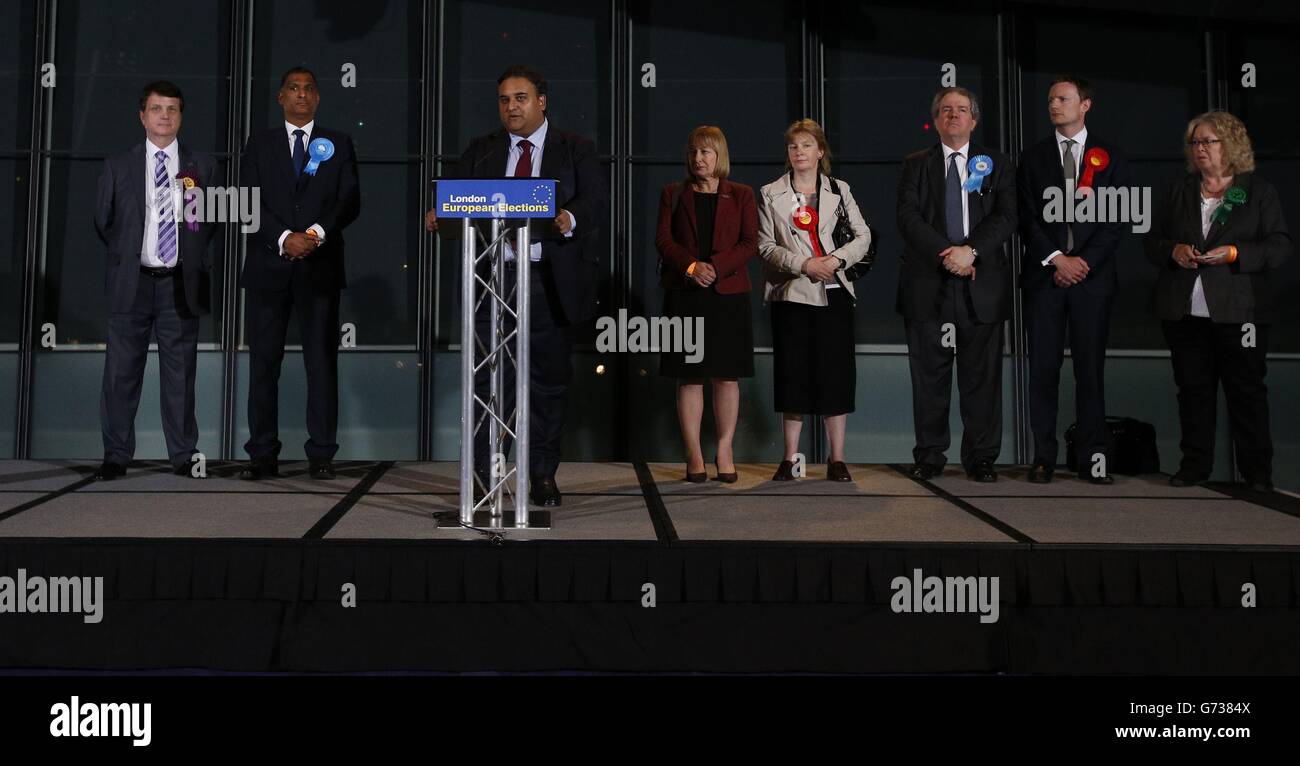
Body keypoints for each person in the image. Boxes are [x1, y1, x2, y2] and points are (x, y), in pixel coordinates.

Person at [425, 65, 608, 507]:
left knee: (547, 385)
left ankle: (541, 475)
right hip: (493, 283)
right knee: (491, 384)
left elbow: (596, 202)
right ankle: (485, 475)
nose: (512, 107)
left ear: (541, 101)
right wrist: (441, 215)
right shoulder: (482, 150)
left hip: (549, 283)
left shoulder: (575, 149)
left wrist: (569, 218)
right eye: (505, 100)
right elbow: (458, 198)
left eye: (521, 98)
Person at [1145, 110, 1292, 492]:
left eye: (1208, 141)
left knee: (1246, 393)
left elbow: (1279, 246)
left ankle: (1257, 475)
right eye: (1195, 142)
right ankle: (1195, 466)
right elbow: (1151, 241)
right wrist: (1172, 250)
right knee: (1193, 392)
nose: (1200, 149)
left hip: (1240, 314)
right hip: (1185, 310)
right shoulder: (1179, 190)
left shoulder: (1257, 192)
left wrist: (1234, 254)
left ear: (1230, 145)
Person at [239, 67, 360, 480]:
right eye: (294, 88)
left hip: (319, 268)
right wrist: (284, 238)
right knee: (262, 366)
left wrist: (314, 234)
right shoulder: (260, 143)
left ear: (318, 97)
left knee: (322, 365)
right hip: (267, 269)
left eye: (309, 88)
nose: (302, 95)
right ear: (280, 97)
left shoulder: (338, 143)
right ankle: (261, 454)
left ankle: (322, 453)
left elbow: (349, 201)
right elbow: (247, 200)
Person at [93, 81, 218, 481]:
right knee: (120, 375)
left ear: (181, 117)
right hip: (132, 282)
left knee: (180, 376)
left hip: (179, 285)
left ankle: (184, 456)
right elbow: (104, 220)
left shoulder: (203, 166)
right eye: (157, 108)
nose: (165, 115)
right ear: (142, 116)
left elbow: (206, 224)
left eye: (172, 109)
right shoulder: (117, 164)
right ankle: (116, 456)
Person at [896, 87, 1017, 482]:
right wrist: (948, 254)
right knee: (929, 377)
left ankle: (981, 457)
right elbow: (908, 217)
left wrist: (971, 253)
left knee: (980, 379)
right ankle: (930, 455)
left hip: (980, 284)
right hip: (928, 284)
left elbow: (1006, 216)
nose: (953, 115)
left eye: (961, 110)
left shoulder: (996, 163)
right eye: (945, 110)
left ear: (974, 120)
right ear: (935, 120)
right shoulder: (915, 164)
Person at [1016, 76, 1130, 484]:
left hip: (1091, 281)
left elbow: (1116, 221)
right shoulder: (1032, 158)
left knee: (1090, 371)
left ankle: (1092, 459)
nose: (1053, 105)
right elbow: (1027, 218)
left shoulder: (1110, 156)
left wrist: (1081, 263)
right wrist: (1056, 259)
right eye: (1050, 99)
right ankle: (1043, 457)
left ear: (1085, 104)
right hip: (1045, 279)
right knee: (1042, 371)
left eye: (1062, 99)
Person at [757, 119, 871, 482]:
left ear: (820, 151)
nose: (799, 152)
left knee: (836, 374)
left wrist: (835, 261)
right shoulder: (770, 193)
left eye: (806, 146)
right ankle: (790, 458)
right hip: (792, 292)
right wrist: (804, 263)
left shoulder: (840, 188)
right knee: (793, 374)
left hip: (835, 290)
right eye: (793, 147)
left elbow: (863, 235)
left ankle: (837, 459)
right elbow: (764, 245)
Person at [655, 126, 758, 483]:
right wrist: (691, 267)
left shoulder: (742, 194)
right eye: (694, 152)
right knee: (690, 376)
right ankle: (694, 453)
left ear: (719, 156)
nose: (698, 159)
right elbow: (664, 242)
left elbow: (750, 243)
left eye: (706, 153)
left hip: (728, 295)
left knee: (726, 377)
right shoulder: (673, 193)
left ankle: (725, 449)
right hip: (686, 294)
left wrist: (717, 267)